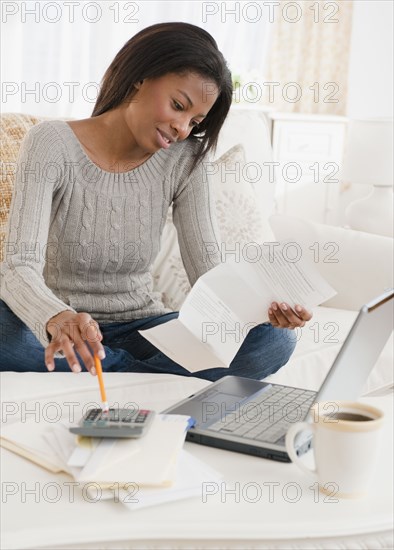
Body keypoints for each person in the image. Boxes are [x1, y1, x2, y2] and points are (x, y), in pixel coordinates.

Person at [0, 22, 312, 379]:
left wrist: (262, 309)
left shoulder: (186, 158)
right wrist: (57, 317)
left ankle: (110, 370)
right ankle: (145, 377)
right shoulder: (51, 143)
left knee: (274, 341)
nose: (182, 128)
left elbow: (210, 274)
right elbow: (18, 266)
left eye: (195, 121)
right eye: (178, 105)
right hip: (62, 327)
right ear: (141, 76)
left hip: (146, 329)